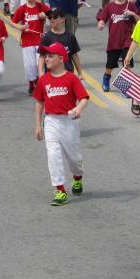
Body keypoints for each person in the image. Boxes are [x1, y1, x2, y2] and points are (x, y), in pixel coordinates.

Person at [34, 42, 89, 206]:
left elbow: (84, 98)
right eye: (45, 56)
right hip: (50, 121)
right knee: (53, 154)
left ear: (61, 58)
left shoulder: (71, 78)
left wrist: (78, 108)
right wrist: (38, 124)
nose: (46, 59)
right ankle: (60, 190)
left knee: (74, 158)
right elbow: (39, 102)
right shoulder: (43, 80)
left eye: (50, 56)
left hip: (69, 121)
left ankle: (77, 177)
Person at [97, 0, 140, 92]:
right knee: (110, 65)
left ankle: (126, 87)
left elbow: (139, 21)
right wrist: (101, 24)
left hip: (127, 39)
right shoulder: (110, 6)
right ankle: (106, 79)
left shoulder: (130, 5)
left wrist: (132, 14)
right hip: (114, 40)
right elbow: (102, 18)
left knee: (126, 63)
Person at [10, 0, 50, 95]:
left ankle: (38, 81)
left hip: (39, 40)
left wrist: (45, 15)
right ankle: (32, 84)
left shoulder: (41, 6)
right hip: (27, 41)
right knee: (29, 64)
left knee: (39, 63)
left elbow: (52, 14)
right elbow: (12, 22)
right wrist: (21, 27)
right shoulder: (22, 9)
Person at [38, 8, 83, 79]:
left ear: (63, 19)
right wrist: (40, 73)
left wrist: (80, 73)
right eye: (50, 17)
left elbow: (74, 55)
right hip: (51, 75)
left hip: (67, 74)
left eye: (55, 17)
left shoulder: (70, 36)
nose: (52, 19)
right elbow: (42, 56)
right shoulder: (46, 37)